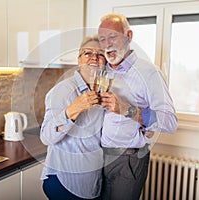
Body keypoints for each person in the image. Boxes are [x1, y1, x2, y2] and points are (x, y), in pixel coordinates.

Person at [97, 13, 178, 200]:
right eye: (102, 39)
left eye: (112, 36)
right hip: (99, 158)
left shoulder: (149, 73)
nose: (107, 44)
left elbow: (170, 122)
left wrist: (129, 110)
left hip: (129, 160)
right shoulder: (102, 72)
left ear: (129, 36)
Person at [40, 35, 107, 200]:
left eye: (100, 54)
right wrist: (74, 109)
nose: (94, 57)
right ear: (79, 60)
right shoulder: (63, 91)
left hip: (91, 182)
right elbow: (46, 136)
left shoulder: (103, 91)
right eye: (87, 53)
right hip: (65, 182)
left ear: (105, 62)